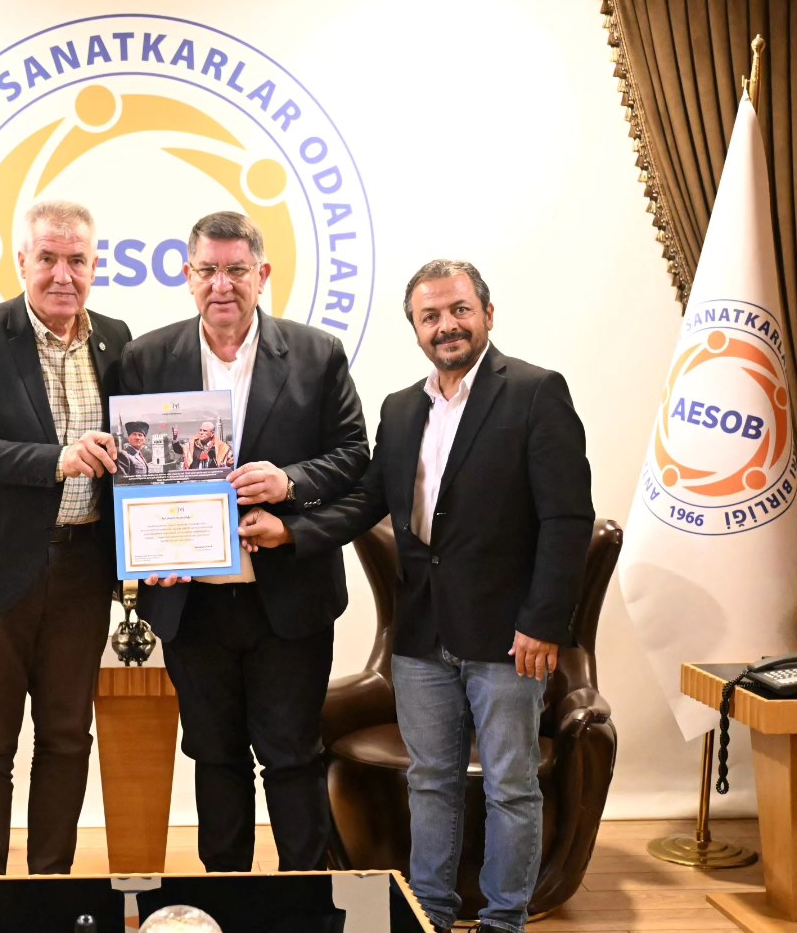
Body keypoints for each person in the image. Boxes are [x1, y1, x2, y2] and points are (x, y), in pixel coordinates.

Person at [239, 259, 593, 933]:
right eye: (430, 316)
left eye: (459, 310)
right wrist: (291, 531)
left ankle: (504, 921)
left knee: (511, 787)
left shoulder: (536, 392)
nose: (446, 325)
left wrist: (544, 623)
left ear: (487, 314)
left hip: (509, 636)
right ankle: (429, 914)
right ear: (416, 328)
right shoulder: (401, 409)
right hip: (421, 635)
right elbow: (367, 499)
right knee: (429, 781)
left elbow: (567, 519)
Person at [118, 211, 370, 872]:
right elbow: (128, 476)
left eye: (236, 270)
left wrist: (290, 483)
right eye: (208, 270)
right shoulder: (146, 359)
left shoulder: (317, 354)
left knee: (292, 757)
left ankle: (306, 900)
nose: (221, 284)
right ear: (187, 275)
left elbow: (354, 457)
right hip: (191, 603)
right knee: (215, 757)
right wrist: (149, 556)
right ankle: (225, 896)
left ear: (263, 274)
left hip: (289, 599)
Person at [0, 199, 132, 875]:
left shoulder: (117, 339)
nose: (62, 274)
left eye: (77, 260)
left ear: (95, 265)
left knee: (68, 736)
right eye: (48, 258)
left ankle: (50, 889)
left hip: (82, 569)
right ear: (21, 262)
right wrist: (57, 459)